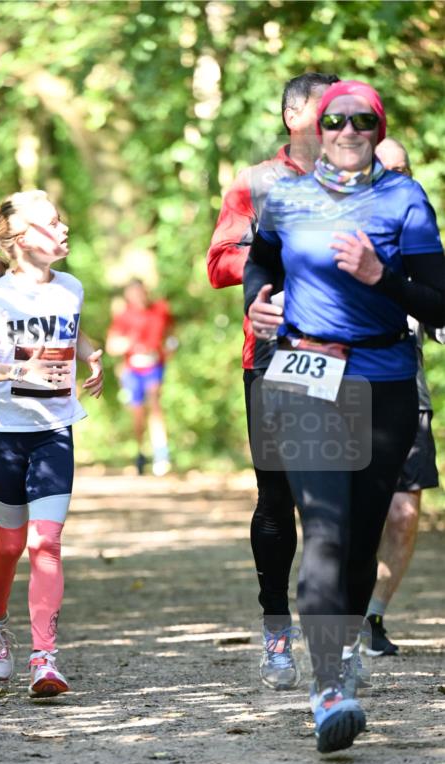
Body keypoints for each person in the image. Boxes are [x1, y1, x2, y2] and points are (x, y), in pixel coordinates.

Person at [244, 80, 445, 753]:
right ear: (317, 128)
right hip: (304, 375)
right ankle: (327, 687)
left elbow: (437, 304)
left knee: (359, 541)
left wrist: (377, 276)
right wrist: (260, 303)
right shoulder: (287, 195)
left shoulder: (403, 198)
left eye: (363, 120)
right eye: (336, 120)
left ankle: (342, 646)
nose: (349, 130)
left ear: (377, 127)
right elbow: (260, 260)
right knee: (324, 531)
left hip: (383, 380)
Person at [0, 189, 103, 698]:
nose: (65, 228)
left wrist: (92, 356)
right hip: (3, 435)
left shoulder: (70, 286)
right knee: (10, 545)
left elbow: (72, 332)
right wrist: (17, 369)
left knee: (45, 542)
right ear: (24, 239)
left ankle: (45, 658)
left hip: (54, 430)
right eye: (53, 222)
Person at [207, 72, 339, 690]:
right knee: (279, 497)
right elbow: (218, 262)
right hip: (271, 355)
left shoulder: (358, 180)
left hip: (348, 355)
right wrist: (282, 258)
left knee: (338, 500)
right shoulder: (256, 182)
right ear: (294, 116)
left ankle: (335, 636)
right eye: (326, 106)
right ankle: (276, 632)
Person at [363, 138, 443, 656]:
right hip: (346, 393)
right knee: (352, 511)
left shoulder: (423, 242)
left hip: (408, 391)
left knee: (403, 512)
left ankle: (373, 615)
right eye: (384, 169)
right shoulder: (346, 232)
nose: (395, 176)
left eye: (403, 169)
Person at [105, 279, 176, 475]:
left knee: (154, 404)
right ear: (128, 295)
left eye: (141, 292)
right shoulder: (124, 317)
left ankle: (161, 454)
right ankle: (140, 451)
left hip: (154, 366)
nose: (138, 296)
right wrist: (128, 343)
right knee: (138, 413)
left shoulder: (160, 310)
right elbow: (112, 347)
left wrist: (170, 348)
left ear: (146, 291)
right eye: (133, 293)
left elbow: (171, 334)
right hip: (132, 369)